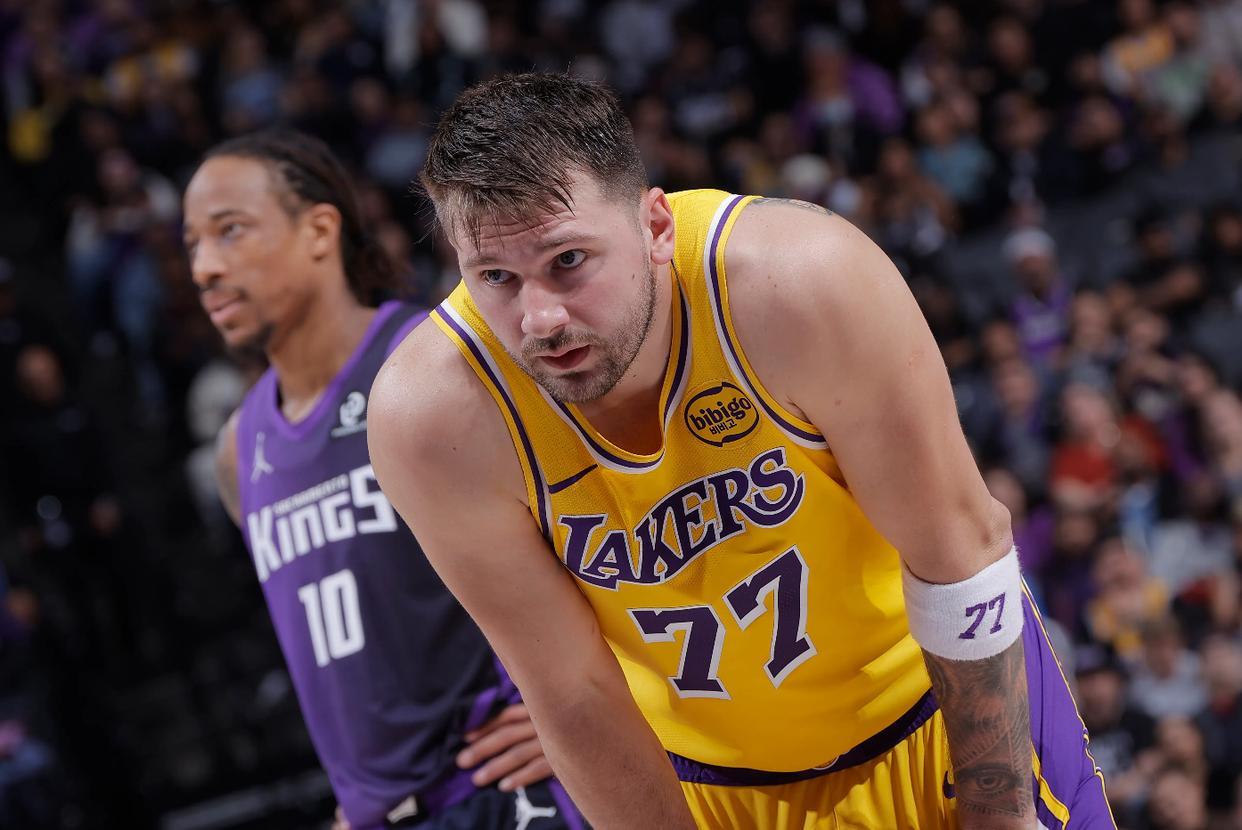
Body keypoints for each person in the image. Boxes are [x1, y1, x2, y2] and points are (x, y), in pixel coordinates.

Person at [368, 73, 1114, 829]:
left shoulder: (799, 282)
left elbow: (959, 549)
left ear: (656, 226)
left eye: (568, 261)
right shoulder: (434, 419)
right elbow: (571, 691)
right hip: (714, 782)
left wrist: (999, 809)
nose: (539, 319)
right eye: (495, 277)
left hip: (943, 708)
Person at [181, 128, 582, 830]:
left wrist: (585, 710)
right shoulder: (239, 450)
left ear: (319, 230)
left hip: (507, 797)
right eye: (192, 245)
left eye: (230, 231)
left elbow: (607, 531)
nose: (204, 267)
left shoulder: (437, 361)